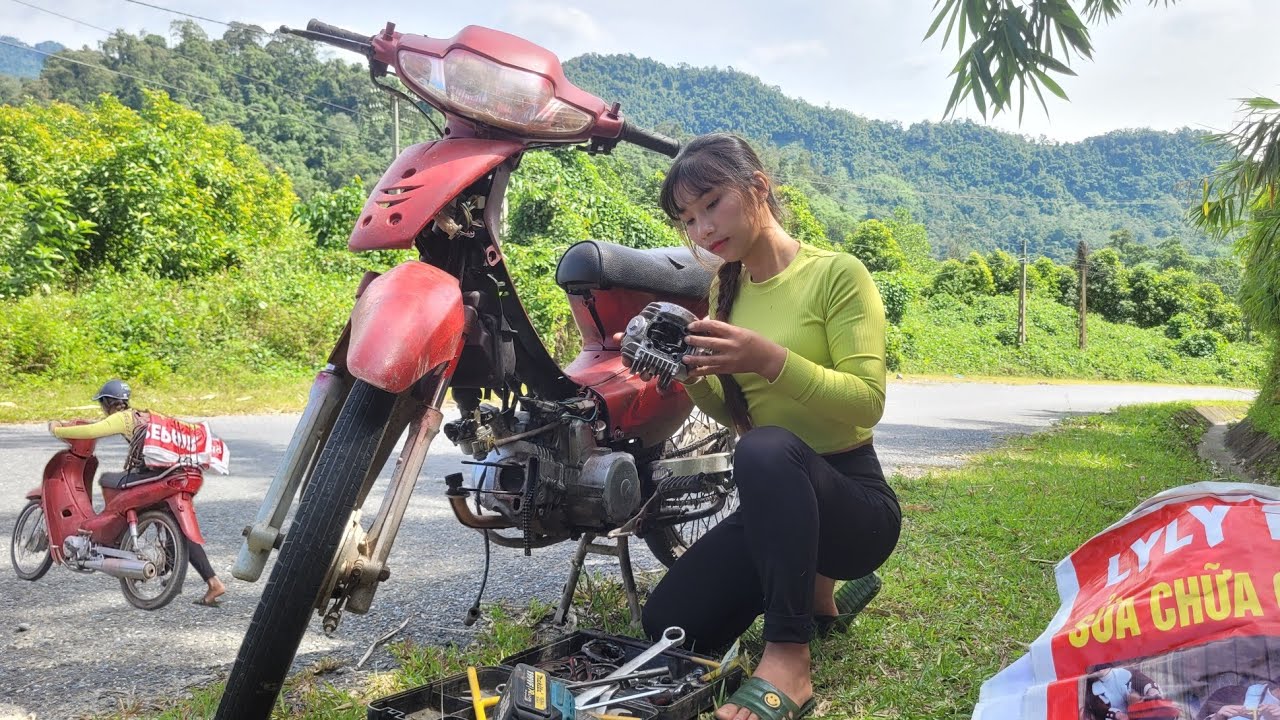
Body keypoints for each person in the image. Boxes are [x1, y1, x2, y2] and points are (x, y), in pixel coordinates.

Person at [638, 133, 901, 720]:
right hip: (778, 503)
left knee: (764, 450)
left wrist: (768, 358)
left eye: (711, 204)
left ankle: (789, 656)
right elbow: (734, 412)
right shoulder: (723, 292)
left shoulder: (838, 274)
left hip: (854, 509)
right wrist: (682, 374)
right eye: (687, 218)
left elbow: (866, 402)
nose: (702, 228)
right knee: (669, 626)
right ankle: (817, 596)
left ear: (758, 188)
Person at [48, 379, 228, 607]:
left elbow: (92, 430)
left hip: (150, 476)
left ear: (107, 403)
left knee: (107, 480)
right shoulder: (144, 415)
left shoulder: (123, 418)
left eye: (103, 404)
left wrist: (58, 429)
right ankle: (213, 583)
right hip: (167, 475)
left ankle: (112, 533)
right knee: (179, 528)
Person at [1084, 666, 1164, 720]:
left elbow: (1145, 682)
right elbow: (1098, 708)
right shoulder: (1092, 685)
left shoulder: (1126, 672)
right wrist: (1118, 715)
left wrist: (1152, 691)